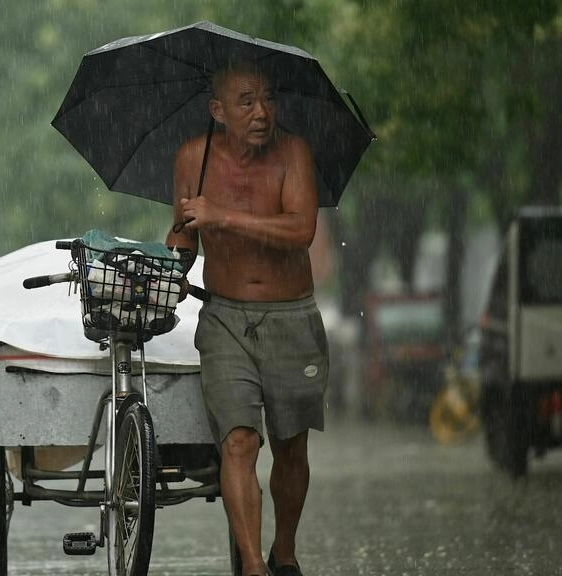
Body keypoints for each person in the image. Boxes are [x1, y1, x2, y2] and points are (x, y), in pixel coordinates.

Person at [165, 60, 328, 576]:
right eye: (246, 101)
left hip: (291, 315)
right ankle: (254, 566)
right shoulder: (193, 157)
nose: (262, 112)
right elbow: (187, 236)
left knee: (290, 445)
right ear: (218, 111)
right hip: (226, 318)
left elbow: (300, 230)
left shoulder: (294, 152)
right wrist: (173, 253)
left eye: (268, 99)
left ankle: (284, 551)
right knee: (239, 440)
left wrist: (222, 215)